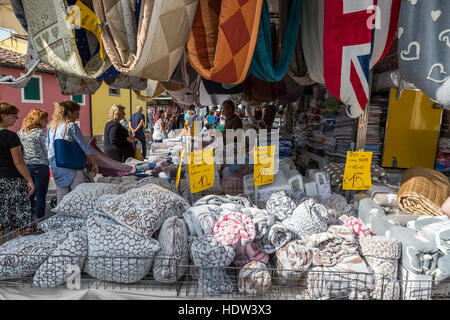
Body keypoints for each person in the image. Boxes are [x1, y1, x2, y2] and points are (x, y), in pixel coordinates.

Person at [47, 100, 98, 204]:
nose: (78, 116)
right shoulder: (71, 126)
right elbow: (85, 146)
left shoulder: (51, 128)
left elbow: (48, 147)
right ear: (69, 113)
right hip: (73, 167)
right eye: (77, 113)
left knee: (61, 198)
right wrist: (94, 163)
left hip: (57, 168)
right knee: (78, 197)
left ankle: (61, 219)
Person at [0, 101, 35, 238]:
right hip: (12, 181)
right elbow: (18, 161)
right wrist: (29, 179)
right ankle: (16, 255)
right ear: (3, 116)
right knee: (17, 219)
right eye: (14, 115)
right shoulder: (11, 136)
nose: (17, 118)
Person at [17, 108, 50, 220]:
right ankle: (40, 222)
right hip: (41, 166)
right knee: (40, 195)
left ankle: (28, 223)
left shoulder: (21, 132)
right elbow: (47, 150)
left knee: (29, 195)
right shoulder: (41, 133)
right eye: (45, 120)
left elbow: (20, 150)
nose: (47, 122)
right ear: (39, 120)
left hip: (26, 167)